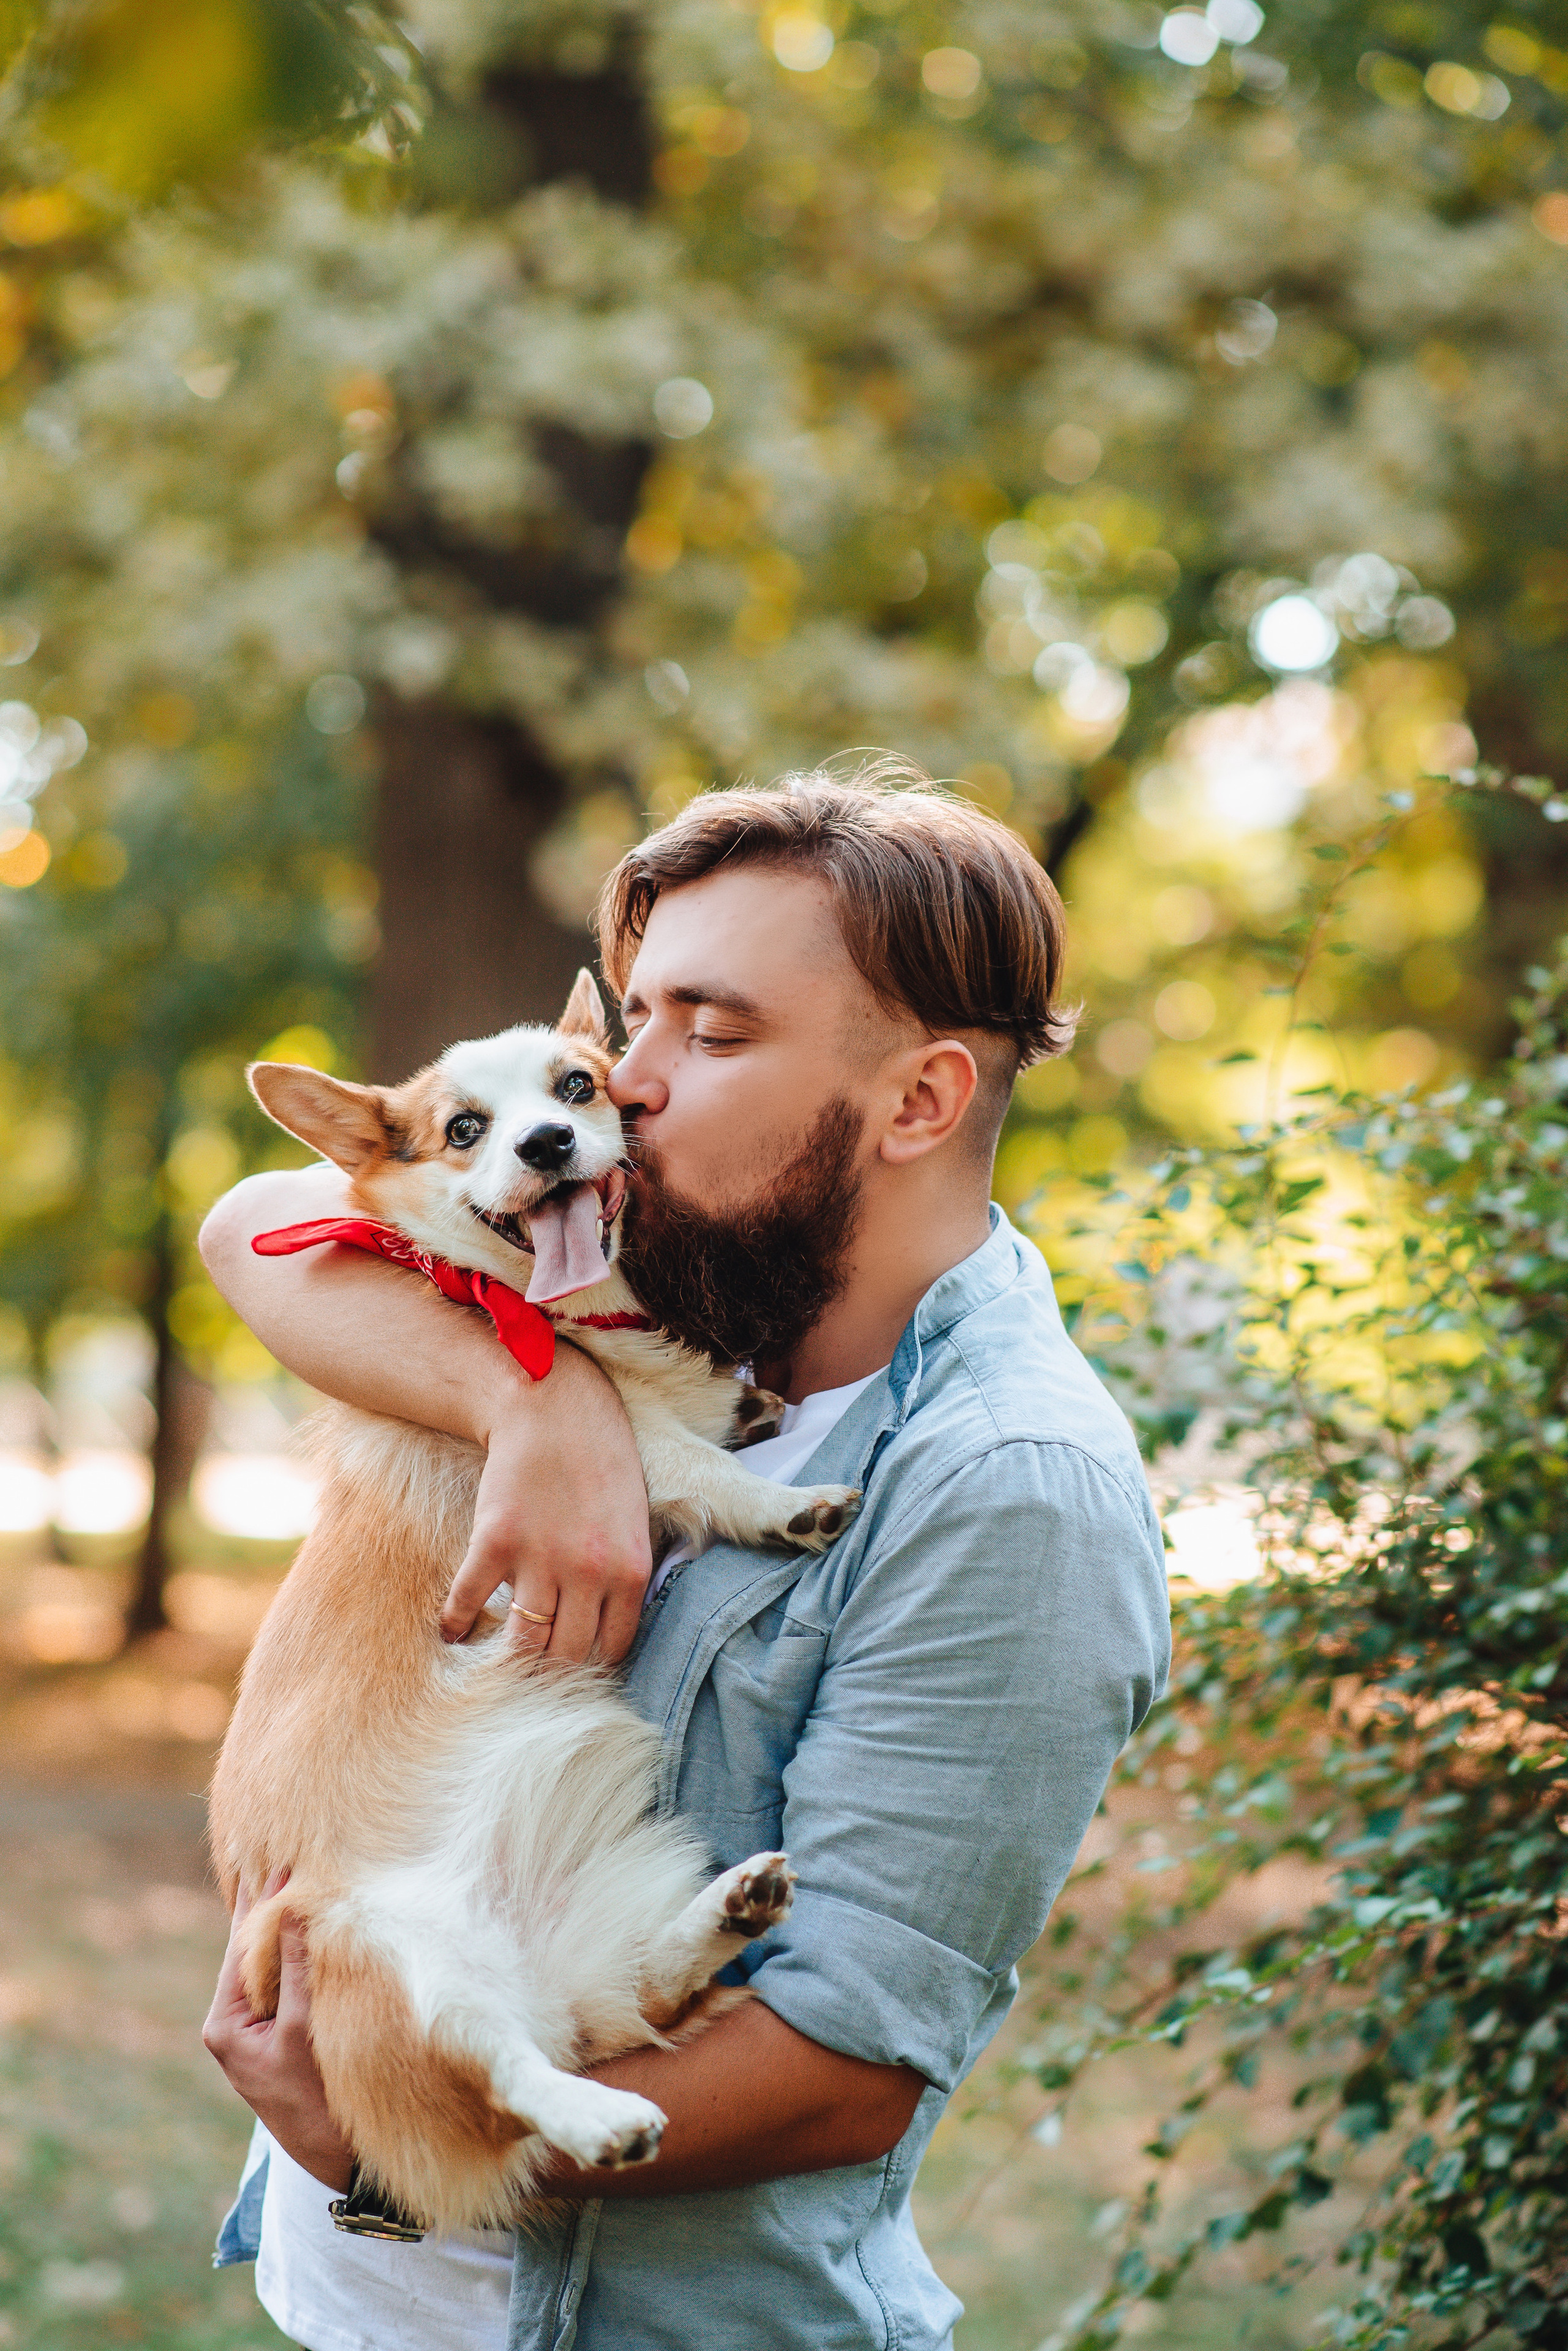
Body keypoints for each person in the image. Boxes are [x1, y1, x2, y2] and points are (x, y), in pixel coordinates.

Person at [198, 755, 1170, 2351]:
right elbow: (258, 1219)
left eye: (707, 1036)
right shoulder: (639, 1273)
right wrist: (538, 1406)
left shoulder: (1012, 1492)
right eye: (629, 1021)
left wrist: (384, 2149)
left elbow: (837, 2074)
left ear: (919, 1100)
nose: (622, 1084)